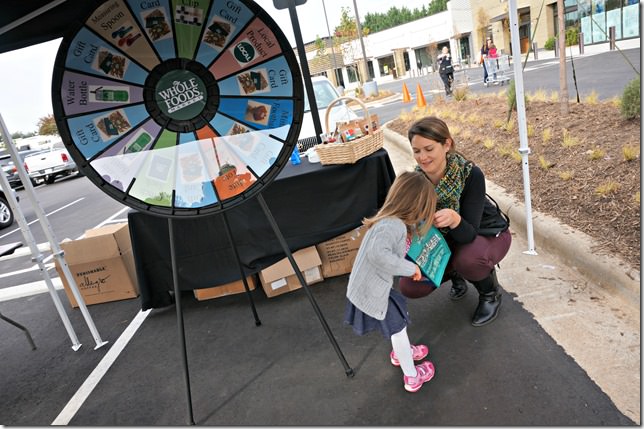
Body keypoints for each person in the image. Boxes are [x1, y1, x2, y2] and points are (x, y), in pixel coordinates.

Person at [400, 116, 512, 327]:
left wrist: (454, 219)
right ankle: (455, 274)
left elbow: (468, 234)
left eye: (429, 149)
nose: (422, 157)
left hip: (485, 235)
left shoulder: (470, 174)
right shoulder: (415, 181)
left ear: (447, 144)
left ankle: (490, 294)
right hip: (446, 241)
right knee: (409, 284)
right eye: (417, 151)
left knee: (468, 259)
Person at [344, 171, 437, 393]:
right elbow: (379, 255)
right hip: (373, 292)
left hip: (374, 289)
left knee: (397, 328)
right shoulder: (391, 226)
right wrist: (410, 268)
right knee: (398, 329)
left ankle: (401, 352)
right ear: (415, 206)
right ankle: (412, 376)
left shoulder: (392, 222)